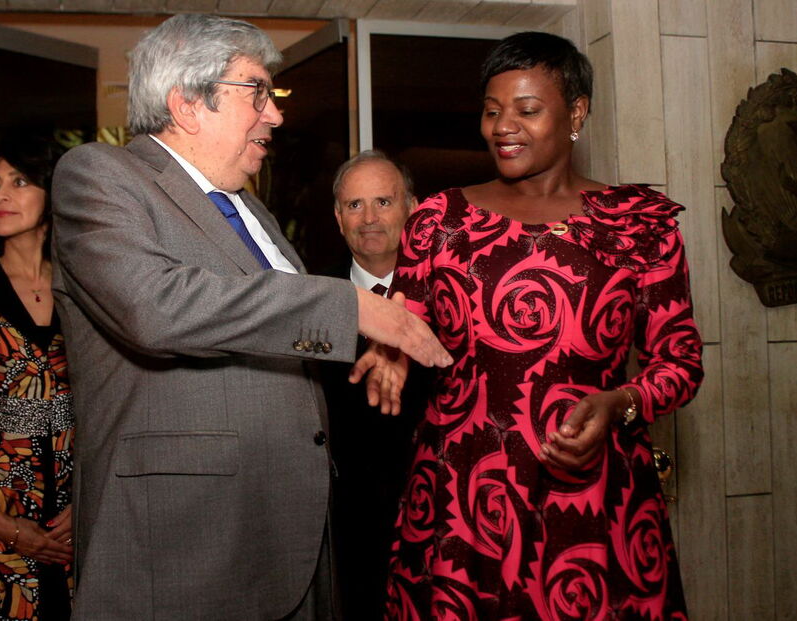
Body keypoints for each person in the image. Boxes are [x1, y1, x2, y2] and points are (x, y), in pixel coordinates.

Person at [49, 14, 450, 620]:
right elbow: (155, 306)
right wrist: (351, 308)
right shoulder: (101, 176)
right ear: (188, 104)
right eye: (256, 92)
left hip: (289, 537)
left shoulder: (247, 206)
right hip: (184, 545)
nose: (276, 115)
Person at [353, 32, 704, 619]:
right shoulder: (440, 221)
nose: (502, 126)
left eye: (526, 109)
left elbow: (680, 363)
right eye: (492, 112)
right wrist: (393, 353)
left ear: (577, 112)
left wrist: (621, 400)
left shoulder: (640, 224)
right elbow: (407, 323)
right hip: (462, 496)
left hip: (593, 499)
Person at [320, 151, 426, 620]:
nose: (369, 218)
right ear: (338, 217)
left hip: (441, 517)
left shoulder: (452, 299)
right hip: (345, 532)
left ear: (412, 209)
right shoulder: (309, 301)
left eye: (383, 202)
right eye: (355, 205)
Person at [0, 137, 73, 620]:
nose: (1, 195)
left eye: (19, 182)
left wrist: (89, 500)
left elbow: (113, 397)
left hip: (78, 515)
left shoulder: (81, 287)